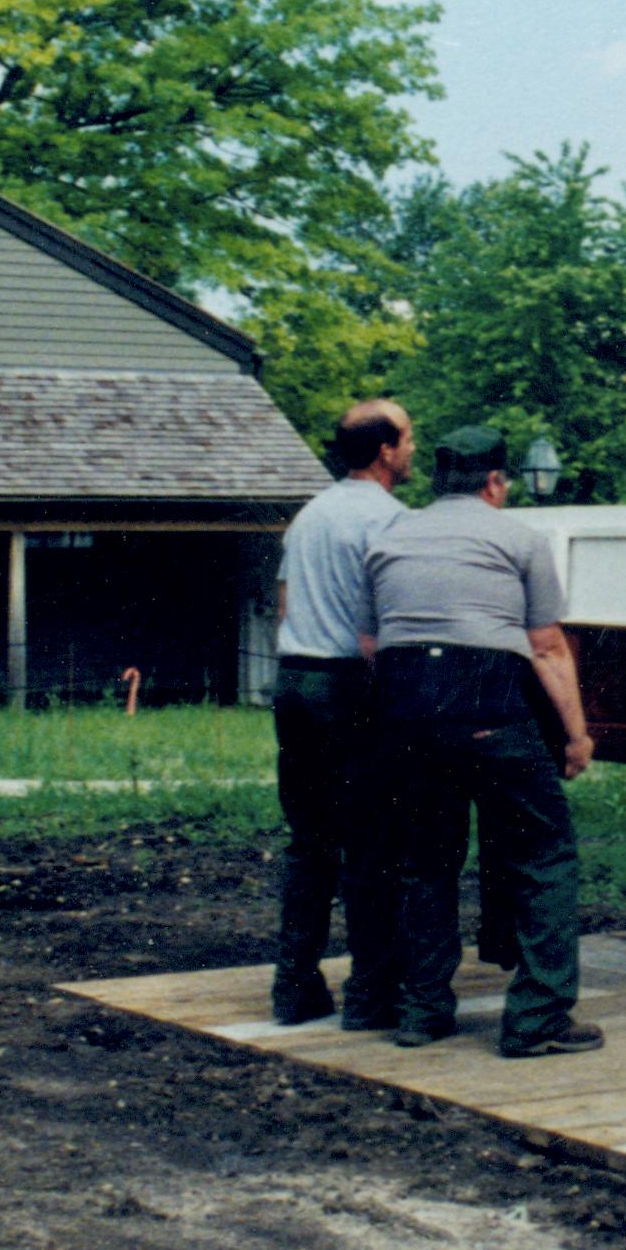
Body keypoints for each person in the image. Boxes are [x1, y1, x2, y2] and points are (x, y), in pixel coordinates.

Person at [365, 424, 604, 1058]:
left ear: (439, 483)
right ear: (495, 484)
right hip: (488, 703)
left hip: (406, 708)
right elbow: (548, 647)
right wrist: (576, 737)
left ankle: (421, 1010)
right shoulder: (519, 538)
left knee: (423, 861)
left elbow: (371, 643)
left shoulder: (387, 538)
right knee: (545, 856)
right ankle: (538, 1019)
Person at [268, 397, 410, 1027]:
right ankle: (370, 995)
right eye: (406, 439)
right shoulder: (391, 522)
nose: (411, 449)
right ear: (384, 451)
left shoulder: (308, 517)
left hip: (294, 679)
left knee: (309, 840)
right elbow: (378, 632)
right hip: (350, 687)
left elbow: (282, 605)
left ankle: (294, 986)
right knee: (371, 841)